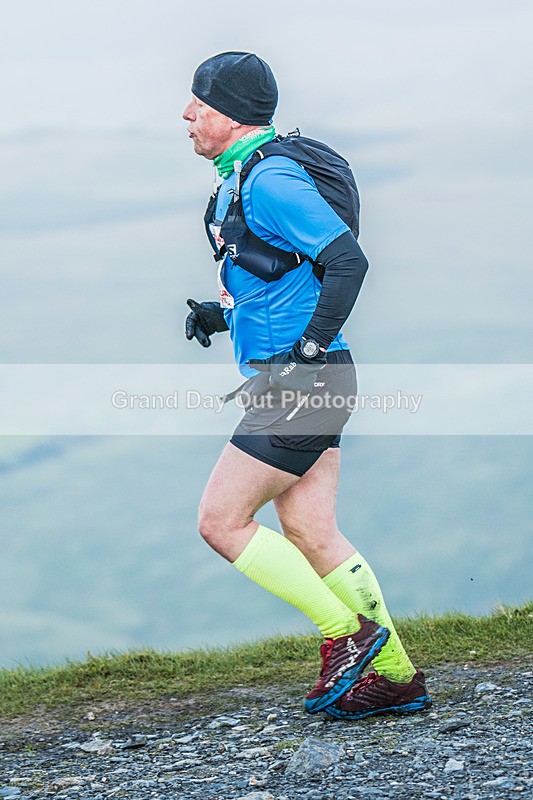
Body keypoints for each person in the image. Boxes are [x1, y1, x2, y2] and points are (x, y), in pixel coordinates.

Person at [182, 51, 431, 719]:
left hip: (303, 383)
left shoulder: (271, 180)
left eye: (198, 105)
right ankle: (396, 677)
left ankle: (345, 638)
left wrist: (307, 348)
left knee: (221, 521)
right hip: (311, 379)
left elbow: (346, 260)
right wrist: (221, 313)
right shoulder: (240, 178)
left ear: (229, 115)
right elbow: (281, 276)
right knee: (312, 531)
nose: (186, 115)